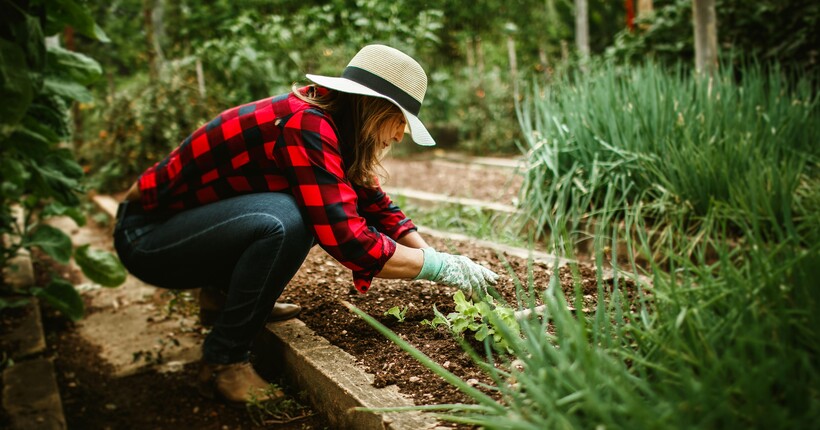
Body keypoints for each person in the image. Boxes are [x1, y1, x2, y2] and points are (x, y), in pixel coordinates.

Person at [113, 44, 499, 404]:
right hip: (148, 237)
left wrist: (433, 255)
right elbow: (348, 239)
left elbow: (375, 204)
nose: (399, 134)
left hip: (187, 231)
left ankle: (224, 298)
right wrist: (441, 269)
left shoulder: (333, 126)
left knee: (297, 210)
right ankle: (223, 361)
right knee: (287, 221)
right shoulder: (306, 125)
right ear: (373, 109)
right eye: (399, 121)